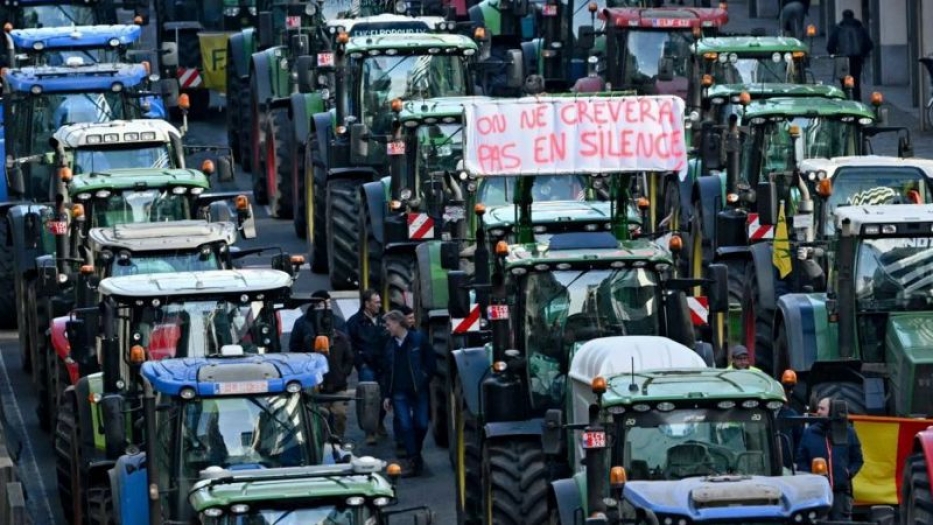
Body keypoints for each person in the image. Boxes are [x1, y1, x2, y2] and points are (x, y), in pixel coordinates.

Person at [289, 291, 355, 440]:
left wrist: (343, 373)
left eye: (328, 304)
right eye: (321, 304)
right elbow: (294, 348)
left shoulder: (338, 323)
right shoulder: (302, 323)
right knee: (319, 417)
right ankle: (321, 443)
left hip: (337, 382)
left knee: (339, 415)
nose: (325, 308)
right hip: (315, 382)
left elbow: (348, 353)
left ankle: (338, 441)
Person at [381, 310, 436, 477]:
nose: (387, 328)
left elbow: (430, 362)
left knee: (421, 424)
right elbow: (385, 372)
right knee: (405, 426)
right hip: (398, 392)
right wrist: (387, 395)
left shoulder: (418, 339)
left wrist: (424, 379)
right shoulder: (389, 345)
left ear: (398, 323)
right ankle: (413, 459)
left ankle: (415, 453)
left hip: (418, 390)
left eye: (389, 324)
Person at [796, 397, 864, 520]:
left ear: (832, 411)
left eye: (822, 408)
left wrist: (848, 473)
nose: (818, 412)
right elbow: (801, 459)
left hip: (841, 496)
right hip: (816, 496)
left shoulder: (849, 433)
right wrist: (810, 476)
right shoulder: (809, 433)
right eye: (818, 408)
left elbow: (858, 460)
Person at [346, 289, 389, 445]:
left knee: (385, 395)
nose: (379, 305)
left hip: (384, 365)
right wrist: (360, 363)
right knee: (368, 398)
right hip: (367, 366)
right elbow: (349, 345)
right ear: (367, 304)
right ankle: (369, 431)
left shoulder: (385, 320)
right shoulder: (354, 323)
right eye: (376, 302)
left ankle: (379, 421)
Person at [827, 9, 874, 101]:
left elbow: (830, 45)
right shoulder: (860, 28)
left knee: (844, 83)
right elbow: (869, 44)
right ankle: (857, 102)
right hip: (856, 59)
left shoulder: (838, 28)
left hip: (842, 59)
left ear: (843, 17)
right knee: (856, 83)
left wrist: (833, 54)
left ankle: (845, 101)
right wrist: (863, 54)